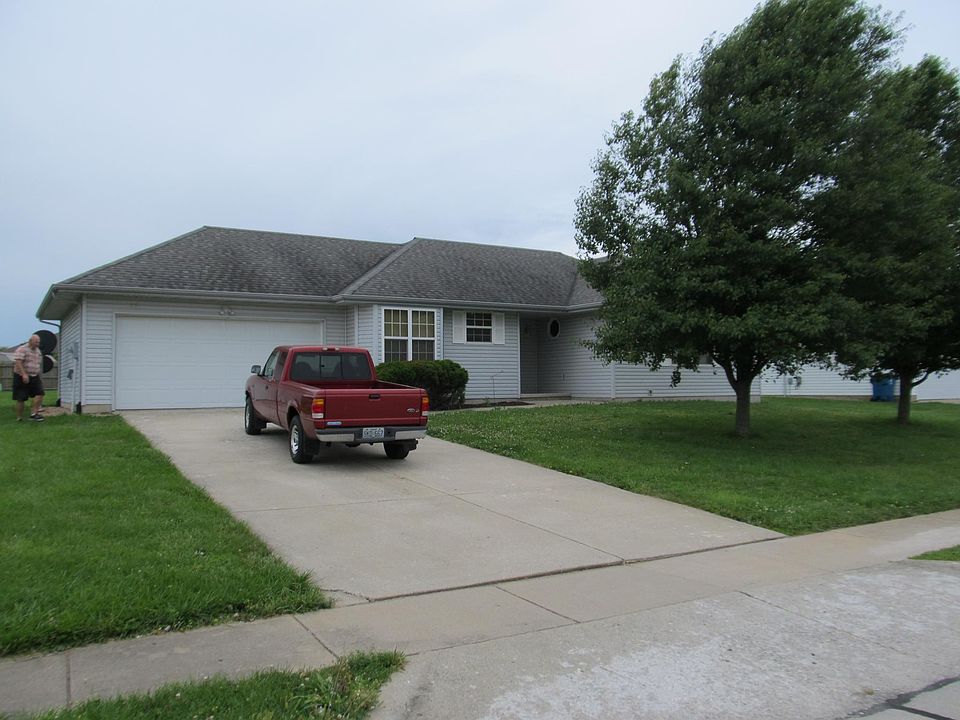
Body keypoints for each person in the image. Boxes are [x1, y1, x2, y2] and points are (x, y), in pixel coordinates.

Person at [13, 334, 45, 422]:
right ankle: (19, 417)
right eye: (36, 342)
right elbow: (18, 362)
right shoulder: (22, 349)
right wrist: (24, 374)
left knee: (40, 393)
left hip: (34, 376)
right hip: (21, 376)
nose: (38, 344)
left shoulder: (38, 351)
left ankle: (33, 414)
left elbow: (37, 364)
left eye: (38, 342)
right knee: (21, 397)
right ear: (30, 341)